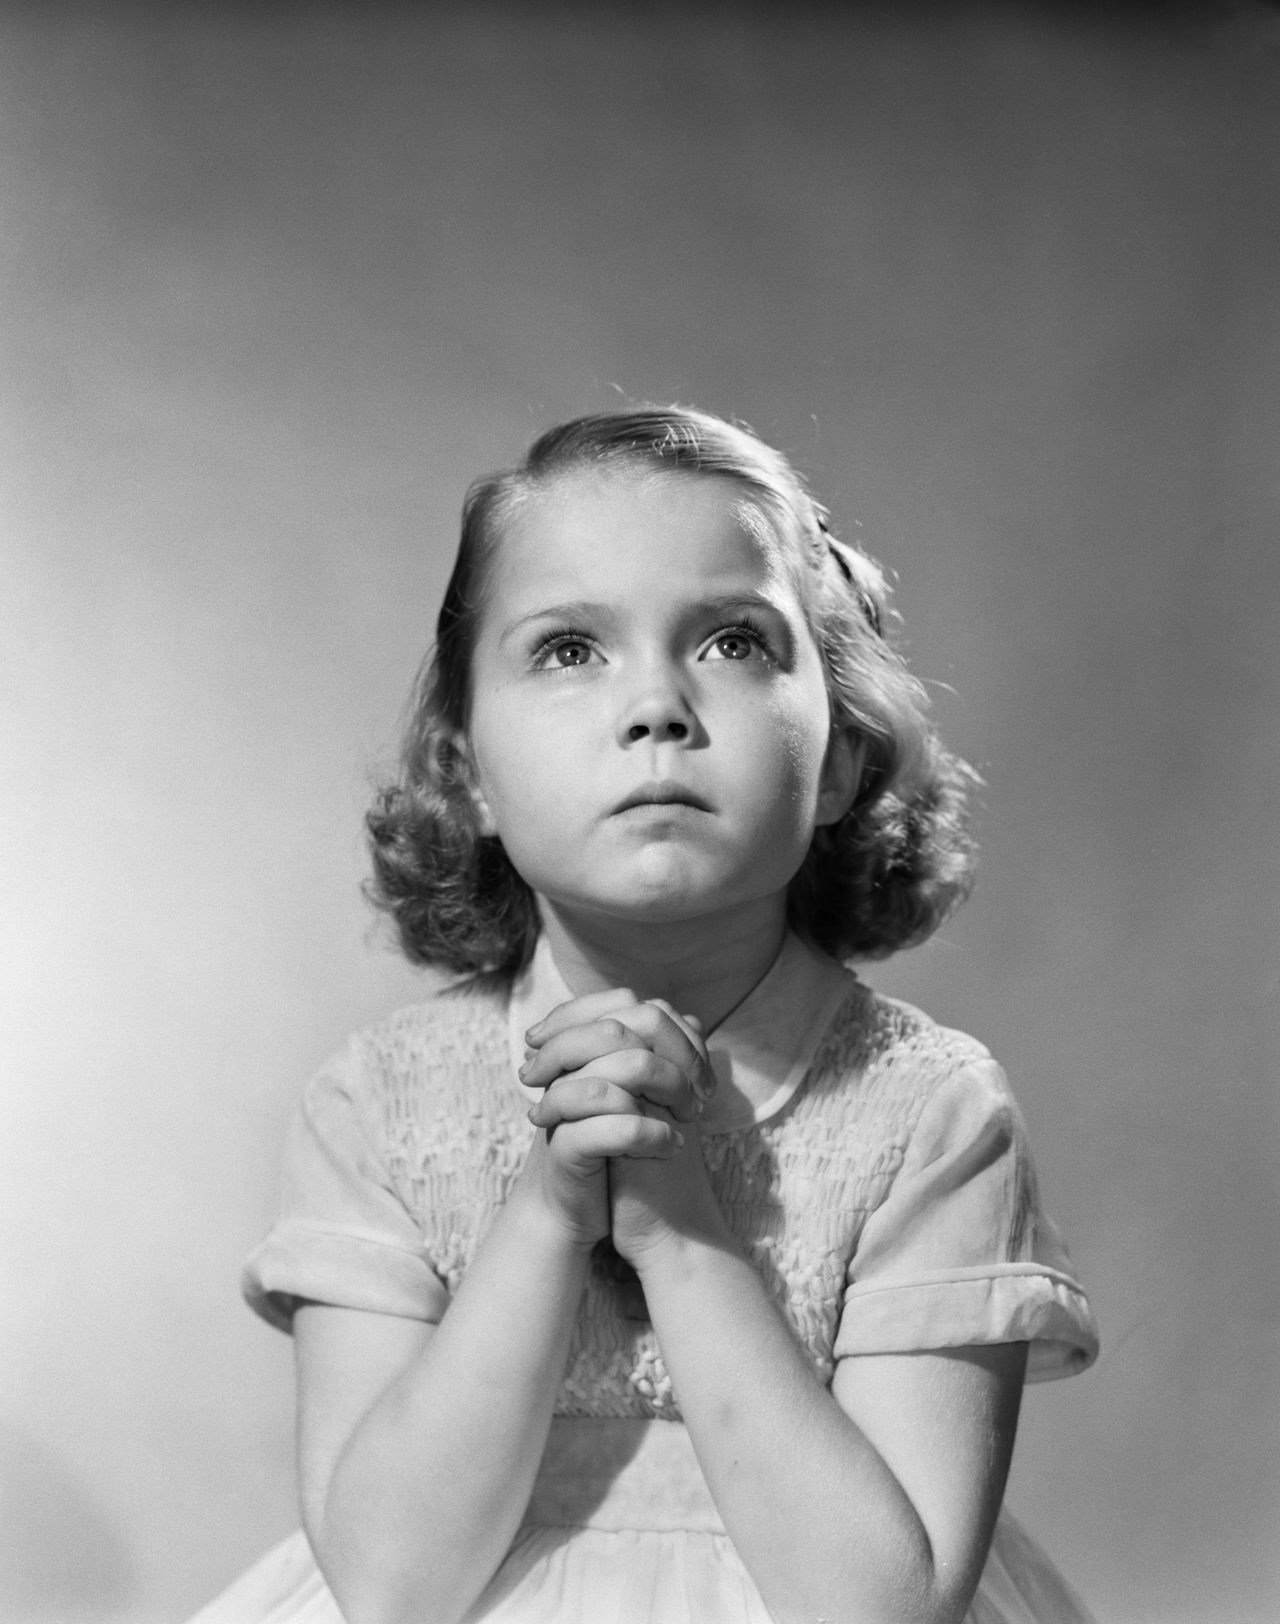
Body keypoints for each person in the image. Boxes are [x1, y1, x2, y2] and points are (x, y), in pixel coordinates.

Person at [190, 406, 1100, 1624]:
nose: (657, 705)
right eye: (569, 649)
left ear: (836, 756)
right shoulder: (379, 1104)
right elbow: (394, 1586)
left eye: (730, 641)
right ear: (467, 773)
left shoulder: (927, 1111)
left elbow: (879, 1604)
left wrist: (676, 1224)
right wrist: (555, 1202)